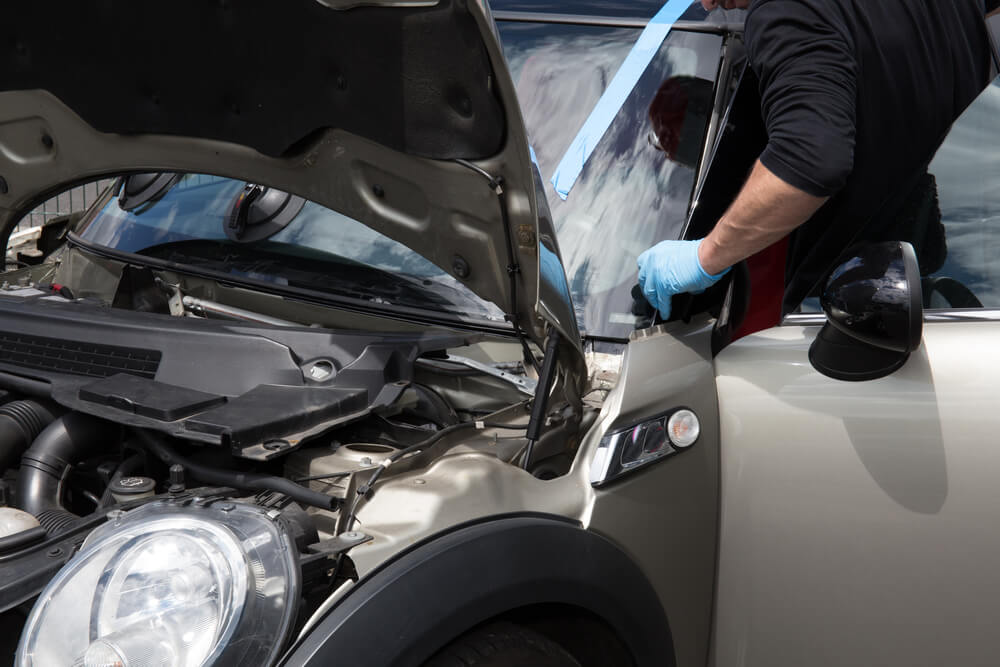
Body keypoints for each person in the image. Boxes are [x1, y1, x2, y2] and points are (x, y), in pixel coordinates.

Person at [638, 0, 1000, 320]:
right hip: (945, 276)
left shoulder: (786, 13)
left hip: (853, 320)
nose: (707, 3)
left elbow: (810, 161)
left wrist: (704, 257)